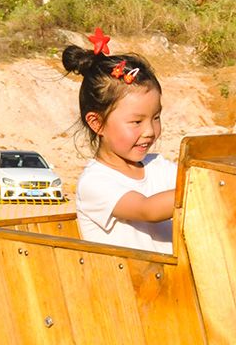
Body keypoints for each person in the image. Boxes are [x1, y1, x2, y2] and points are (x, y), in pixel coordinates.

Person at [63, 29, 176, 253]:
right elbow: (148, 210)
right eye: (136, 122)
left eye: (156, 117)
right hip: (127, 286)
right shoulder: (94, 183)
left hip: (170, 283)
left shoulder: (160, 167)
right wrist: (204, 187)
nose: (149, 131)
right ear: (97, 124)